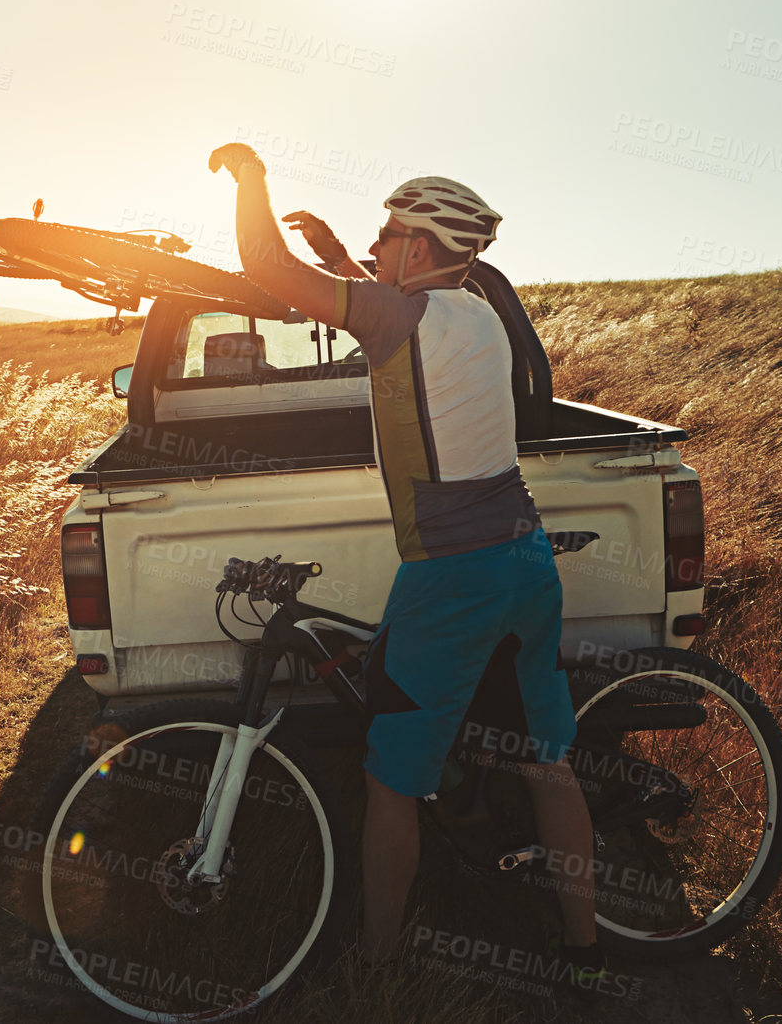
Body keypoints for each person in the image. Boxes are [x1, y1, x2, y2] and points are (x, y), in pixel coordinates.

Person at [208, 144, 605, 978]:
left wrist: (250, 177)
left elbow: (261, 264)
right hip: (524, 561)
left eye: (387, 234)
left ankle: (373, 966)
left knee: (391, 781)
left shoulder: (399, 319)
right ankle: (585, 952)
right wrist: (337, 257)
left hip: (451, 577)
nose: (377, 245)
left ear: (420, 249)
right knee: (546, 763)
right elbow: (389, 301)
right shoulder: (478, 314)